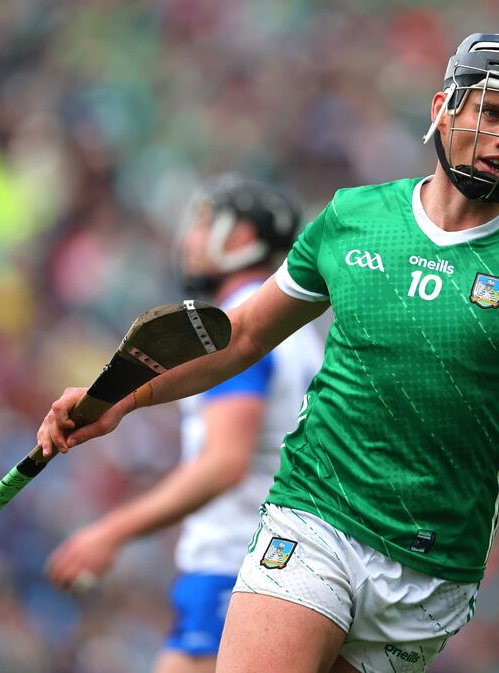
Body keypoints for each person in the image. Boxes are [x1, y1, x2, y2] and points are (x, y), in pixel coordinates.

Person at [38, 34, 499, 673]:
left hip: (432, 573)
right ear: (444, 108)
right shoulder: (354, 218)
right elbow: (245, 335)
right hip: (314, 518)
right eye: (493, 111)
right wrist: (120, 398)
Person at [44, 175, 324, 673]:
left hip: (235, 567)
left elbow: (223, 463)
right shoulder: (291, 328)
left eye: (203, 223)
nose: (189, 238)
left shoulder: (228, 328)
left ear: (241, 239)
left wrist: (111, 531)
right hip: (273, 564)